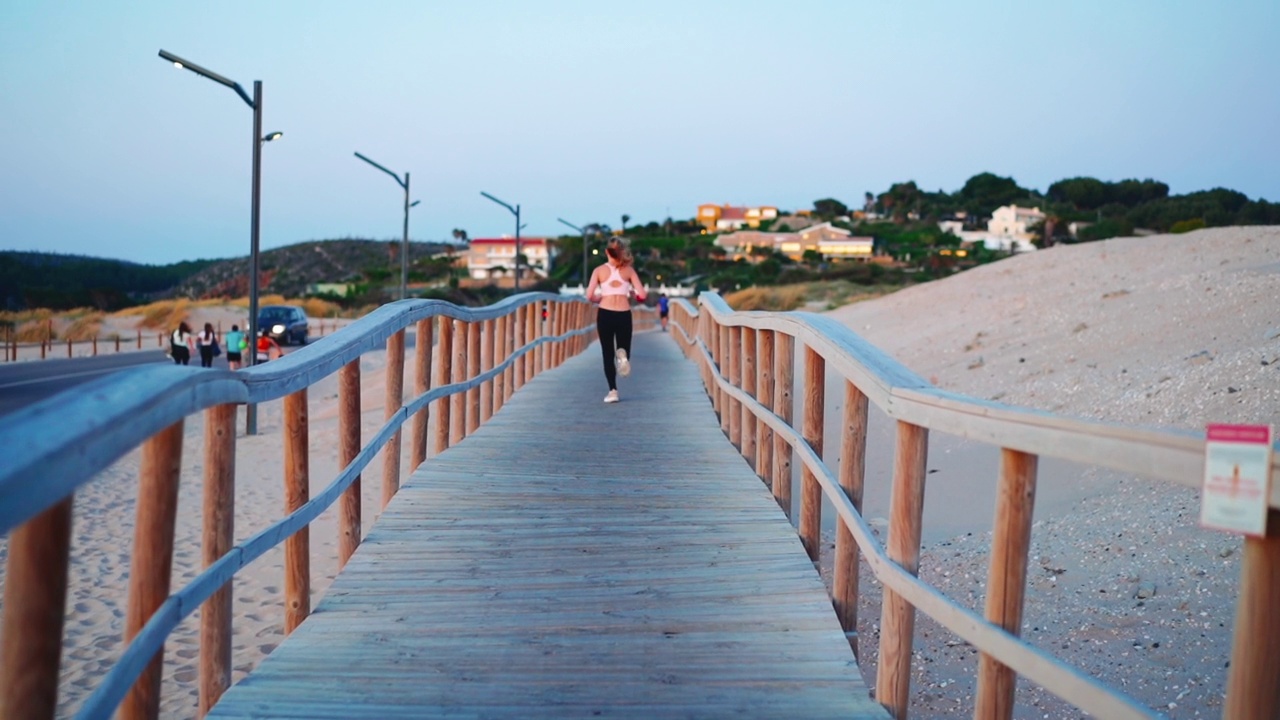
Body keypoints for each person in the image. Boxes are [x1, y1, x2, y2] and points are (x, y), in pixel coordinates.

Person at [586, 237, 646, 403]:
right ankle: (623, 357)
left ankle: (613, 391)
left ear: (606, 252)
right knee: (624, 349)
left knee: (607, 353)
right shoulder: (629, 270)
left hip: (605, 313)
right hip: (623, 313)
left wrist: (599, 298)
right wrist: (634, 295)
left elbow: (589, 295)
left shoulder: (599, 271)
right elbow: (643, 295)